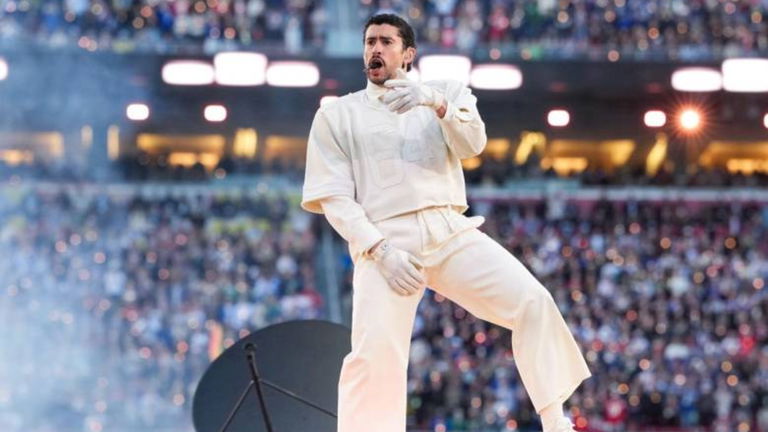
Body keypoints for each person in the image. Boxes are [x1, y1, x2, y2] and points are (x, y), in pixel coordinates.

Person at [301, 13, 592, 432]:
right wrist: (379, 250)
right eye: (370, 42)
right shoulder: (337, 114)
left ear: (409, 53)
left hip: (450, 228)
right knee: (374, 352)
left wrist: (434, 104)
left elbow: (473, 145)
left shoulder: (448, 92)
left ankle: (555, 420)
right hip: (387, 242)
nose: (375, 49)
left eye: (385, 41)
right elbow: (334, 198)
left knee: (533, 300)